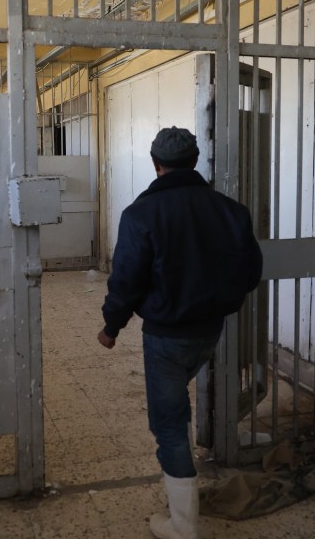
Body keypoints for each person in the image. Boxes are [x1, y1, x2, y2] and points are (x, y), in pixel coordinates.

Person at [98, 126, 263, 539]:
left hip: (166, 337)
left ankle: (184, 525)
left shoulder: (140, 214)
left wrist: (111, 326)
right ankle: (182, 504)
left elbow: (126, 280)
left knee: (170, 423)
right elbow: (251, 273)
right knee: (177, 406)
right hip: (210, 331)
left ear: (156, 165)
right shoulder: (231, 210)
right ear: (194, 161)